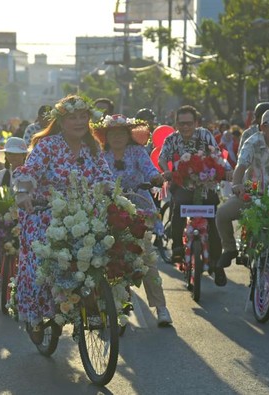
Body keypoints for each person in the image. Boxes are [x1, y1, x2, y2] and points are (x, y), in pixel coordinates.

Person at [12, 95, 114, 342]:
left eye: (83, 116)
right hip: (45, 214)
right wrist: (24, 193)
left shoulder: (93, 147)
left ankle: (95, 303)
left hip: (85, 214)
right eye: (72, 117)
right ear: (61, 121)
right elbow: (28, 172)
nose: (79, 122)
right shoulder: (47, 146)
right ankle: (35, 317)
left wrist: (115, 195)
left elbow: (105, 176)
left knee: (102, 255)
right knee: (38, 264)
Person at [93, 114, 172, 326]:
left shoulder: (137, 152)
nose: (117, 137)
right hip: (109, 209)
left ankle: (161, 308)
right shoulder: (100, 155)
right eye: (113, 133)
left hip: (139, 207)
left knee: (146, 257)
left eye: (121, 133)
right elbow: (95, 177)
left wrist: (155, 178)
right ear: (106, 137)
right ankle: (110, 306)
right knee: (107, 256)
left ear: (128, 135)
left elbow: (149, 170)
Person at [215, 108, 269, 294]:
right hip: (252, 194)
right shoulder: (252, 141)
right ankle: (230, 248)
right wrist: (237, 185)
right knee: (222, 213)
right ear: (263, 127)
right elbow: (241, 167)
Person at [158, 105, 224, 283]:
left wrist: (223, 171)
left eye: (189, 123)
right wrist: (166, 170)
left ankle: (217, 263)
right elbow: (162, 157)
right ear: (176, 123)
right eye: (181, 123)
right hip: (181, 184)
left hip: (205, 184)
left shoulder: (205, 135)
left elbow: (216, 154)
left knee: (213, 219)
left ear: (196, 123)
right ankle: (178, 248)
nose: (185, 127)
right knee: (178, 207)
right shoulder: (171, 139)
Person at [0, 137, 29, 292]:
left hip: (26, 217)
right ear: (6, 156)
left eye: (18, 154)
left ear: (24, 156)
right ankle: (3, 272)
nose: (14, 157)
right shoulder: (4, 174)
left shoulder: (31, 173)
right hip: (6, 218)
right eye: (10, 154)